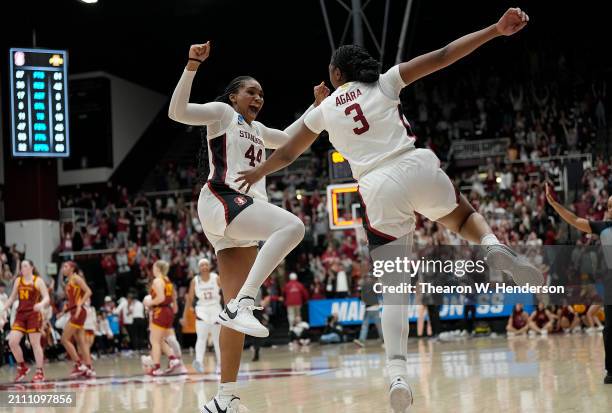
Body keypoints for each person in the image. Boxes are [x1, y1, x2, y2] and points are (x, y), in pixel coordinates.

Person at [236, 7, 538, 411]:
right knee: (464, 217)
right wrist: (496, 30)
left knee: (394, 288)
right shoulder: (384, 81)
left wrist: (258, 172)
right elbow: (445, 54)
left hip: (377, 188)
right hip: (413, 164)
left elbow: (288, 151)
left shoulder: (323, 110)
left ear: (337, 75)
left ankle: (397, 372)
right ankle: (492, 244)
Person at [168, 41, 327, 412]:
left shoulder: (259, 130)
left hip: (235, 217)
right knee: (292, 228)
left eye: (262, 93)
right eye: (251, 91)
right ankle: (244, 303)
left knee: (233, 320)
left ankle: (223, 400)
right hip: (224, 199)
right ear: (234, 96)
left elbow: (290, 140)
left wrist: (315, 108)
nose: (258, 97)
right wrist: (192, 64)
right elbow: (177, 112)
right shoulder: (223, 115)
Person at [546, 184, 612, 383]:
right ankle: (611, 371)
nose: (610, 209)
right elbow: (574, 220)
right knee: (610, 329)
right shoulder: (603, 227)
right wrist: (555, 205)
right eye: (609, 206)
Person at [0, 259, 50, 382]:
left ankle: (40, 371)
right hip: (21, 314)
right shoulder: (18, 280)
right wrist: (2, 309)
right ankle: (22, 367)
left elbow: (47, 297)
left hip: (33, 314)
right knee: (12, 342)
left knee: (35, 344)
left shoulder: (37, 281)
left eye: (25, 266)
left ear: (31, 267)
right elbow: (12, 298)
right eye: (21, 266)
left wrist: (41, 304)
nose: (22, 268)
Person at [142, 260, 185, 376]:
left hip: (160, 311)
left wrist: (149, 302)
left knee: (154, 341)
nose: (152, 269)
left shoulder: (157, 280)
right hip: (168, 311)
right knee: (161, 340)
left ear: (157, 268)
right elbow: (173, 296)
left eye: (153, 266)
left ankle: (156, 368)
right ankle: (173, 359)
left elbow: (160, 298)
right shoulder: (167, 280)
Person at [181, 258, 222, 373]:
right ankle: (199, 362)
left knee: (217, 340)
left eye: (206, 265)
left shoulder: (216, 278)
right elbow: (189, 299)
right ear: (199, 268)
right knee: (201, 339)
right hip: (202, 311)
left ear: (209, 267)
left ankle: (220, 364)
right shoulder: (195, 281)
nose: (204, 267)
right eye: (202, 265)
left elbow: (225, 291)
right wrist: (184, 316)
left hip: (215, 310)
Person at [60, 262, 95, 378]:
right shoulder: (68, 281)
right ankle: (89, 367)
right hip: (74, 311)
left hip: (79, 312)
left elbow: (89, 291)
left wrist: (80, 303)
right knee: (81, 341)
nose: (63, 269)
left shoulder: (76, 278)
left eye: (65, 267)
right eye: (63, 267)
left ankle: (79, 365)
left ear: (72, 268)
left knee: (64, 339)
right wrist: (63, 311)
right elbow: (71, 301)